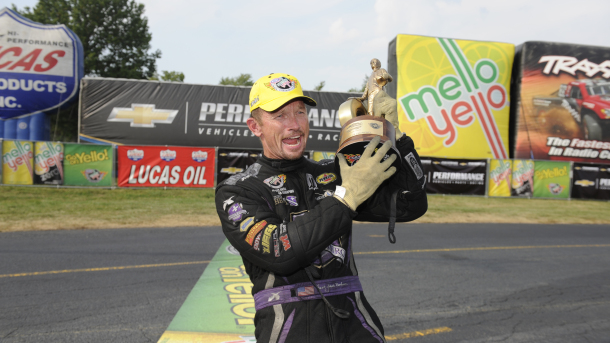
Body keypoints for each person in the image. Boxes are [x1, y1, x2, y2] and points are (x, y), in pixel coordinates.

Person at [215, 72, 427, 343]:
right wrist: (346, 198)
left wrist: (397, 136)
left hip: (358, 328)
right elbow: (278, 252)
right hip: (289, 330)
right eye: (279, 116)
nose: (294, 124)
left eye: (300, 113)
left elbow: (411, 203)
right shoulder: (238, 190)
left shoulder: (337, 170)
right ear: (255, 127)